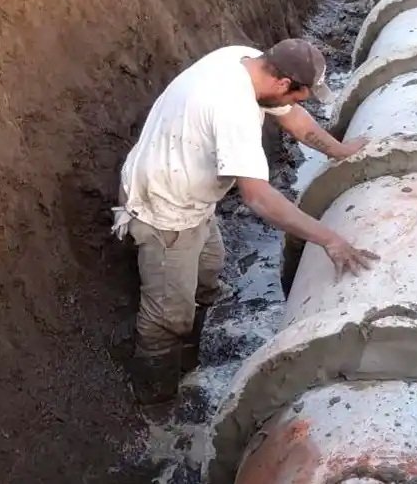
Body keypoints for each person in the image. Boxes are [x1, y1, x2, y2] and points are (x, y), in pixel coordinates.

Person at [111, 40, 380, 405]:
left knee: (210, 274)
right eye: (302, 94)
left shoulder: (246, 60)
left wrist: (340, 150)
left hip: (192, 199)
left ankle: (196, 349)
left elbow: (293, 119)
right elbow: (259, 198)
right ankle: (156, 395)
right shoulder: (232, 107)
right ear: (284, 83)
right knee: (168, 316)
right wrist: (329, 239)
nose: (300, 102)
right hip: (165, 212)